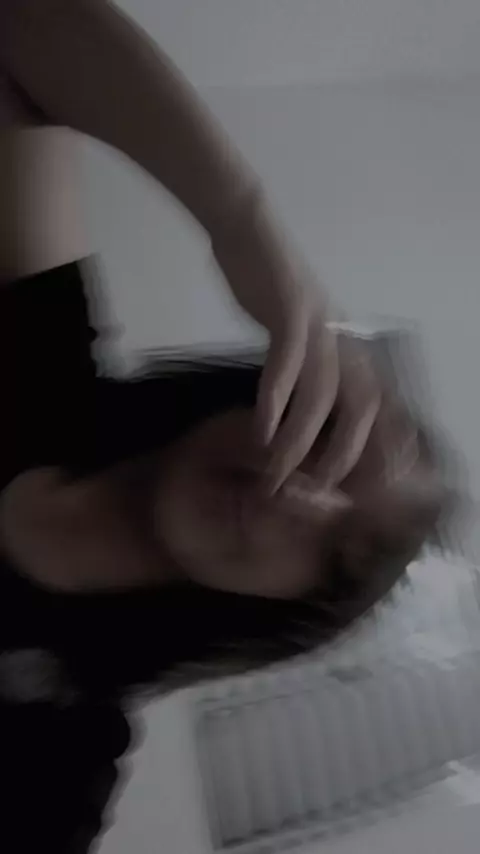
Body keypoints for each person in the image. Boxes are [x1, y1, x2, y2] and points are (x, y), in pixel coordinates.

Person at [0, 1, 450, 851]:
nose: (303, 499)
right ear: (267, 392)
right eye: (323, 443)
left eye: (341, 550)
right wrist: (241, 223)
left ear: (291, 609)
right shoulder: (42, 364)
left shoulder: (61, 763)